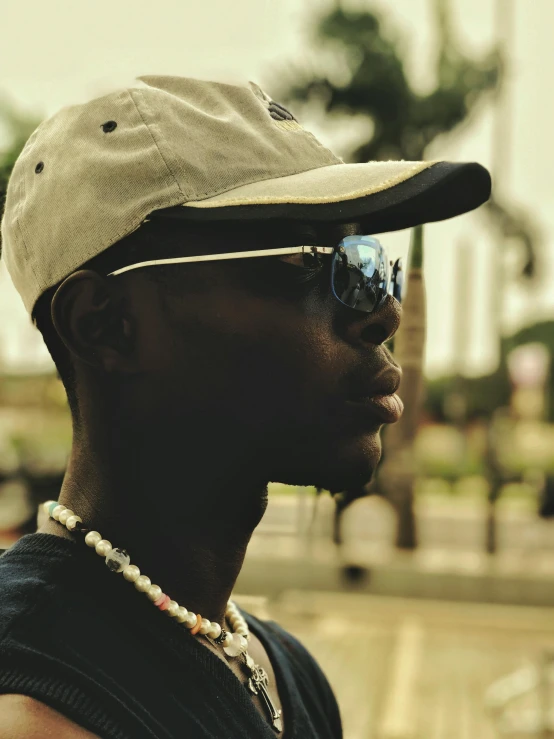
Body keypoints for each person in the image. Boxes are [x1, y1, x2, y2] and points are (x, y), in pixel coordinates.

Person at [0, 75, 491, 738]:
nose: (383, 310)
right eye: (314, 259)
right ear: (106, 323)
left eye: (369, 260)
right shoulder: (38, 707)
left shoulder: (289, 675)